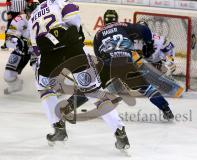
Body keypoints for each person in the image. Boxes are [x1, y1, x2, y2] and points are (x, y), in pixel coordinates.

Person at [28, 0, 130, 150]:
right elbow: (72, 16)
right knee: (94, 92)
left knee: (44, 89)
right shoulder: (59, 2)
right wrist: (74, 37)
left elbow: (36, 50)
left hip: (49, 56)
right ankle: (120, 132)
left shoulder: (32, 17)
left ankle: (58, 128)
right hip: (73, 49)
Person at [93, 10, 174, 121]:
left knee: (91, 85)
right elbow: (144, 29)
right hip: (126, 62)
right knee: (146, 88)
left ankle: (71, 107)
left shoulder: (98, 34)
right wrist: (149, 43)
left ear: (104, 20)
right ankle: (166, 109)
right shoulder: (123, 25)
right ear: (116, 19)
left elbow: (98, 57)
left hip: (108, 63)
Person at [3, 2, 38, 94]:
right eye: (30, 13)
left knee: (39, 71)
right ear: (26, 12)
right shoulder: (18, 20)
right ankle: (16, 85)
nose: (32, 15)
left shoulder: (43, 19)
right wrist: (18, 42)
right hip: (21, 51)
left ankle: (53, 88)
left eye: (34, 12)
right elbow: (10, 37)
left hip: (36, 51)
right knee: (8, 76)